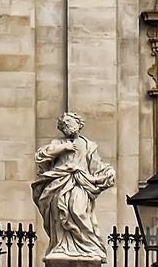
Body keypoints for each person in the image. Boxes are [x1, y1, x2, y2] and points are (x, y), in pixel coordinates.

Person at [32, 112, 115, 262]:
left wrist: (108, 172)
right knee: (59, 215)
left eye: (69, 122)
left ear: (79, 124)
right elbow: (41, 155)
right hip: (59, 183)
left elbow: (97, 166)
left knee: (77, 210)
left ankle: (89, 246)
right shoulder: (58, 143)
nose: (66, 126)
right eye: (63, 124)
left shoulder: (89, 145)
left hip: (79, 184)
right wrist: (64, 148)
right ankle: (61, 245)